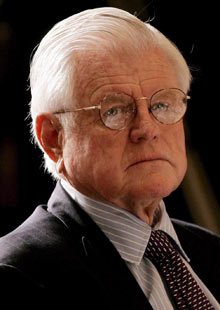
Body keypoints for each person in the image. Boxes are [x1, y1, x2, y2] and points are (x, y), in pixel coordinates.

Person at [0, 7, 219, 310]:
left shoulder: (210, 250)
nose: (146, 129)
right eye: (114, 110)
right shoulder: (17, 276)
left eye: (162, 104)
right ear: (53, 138)